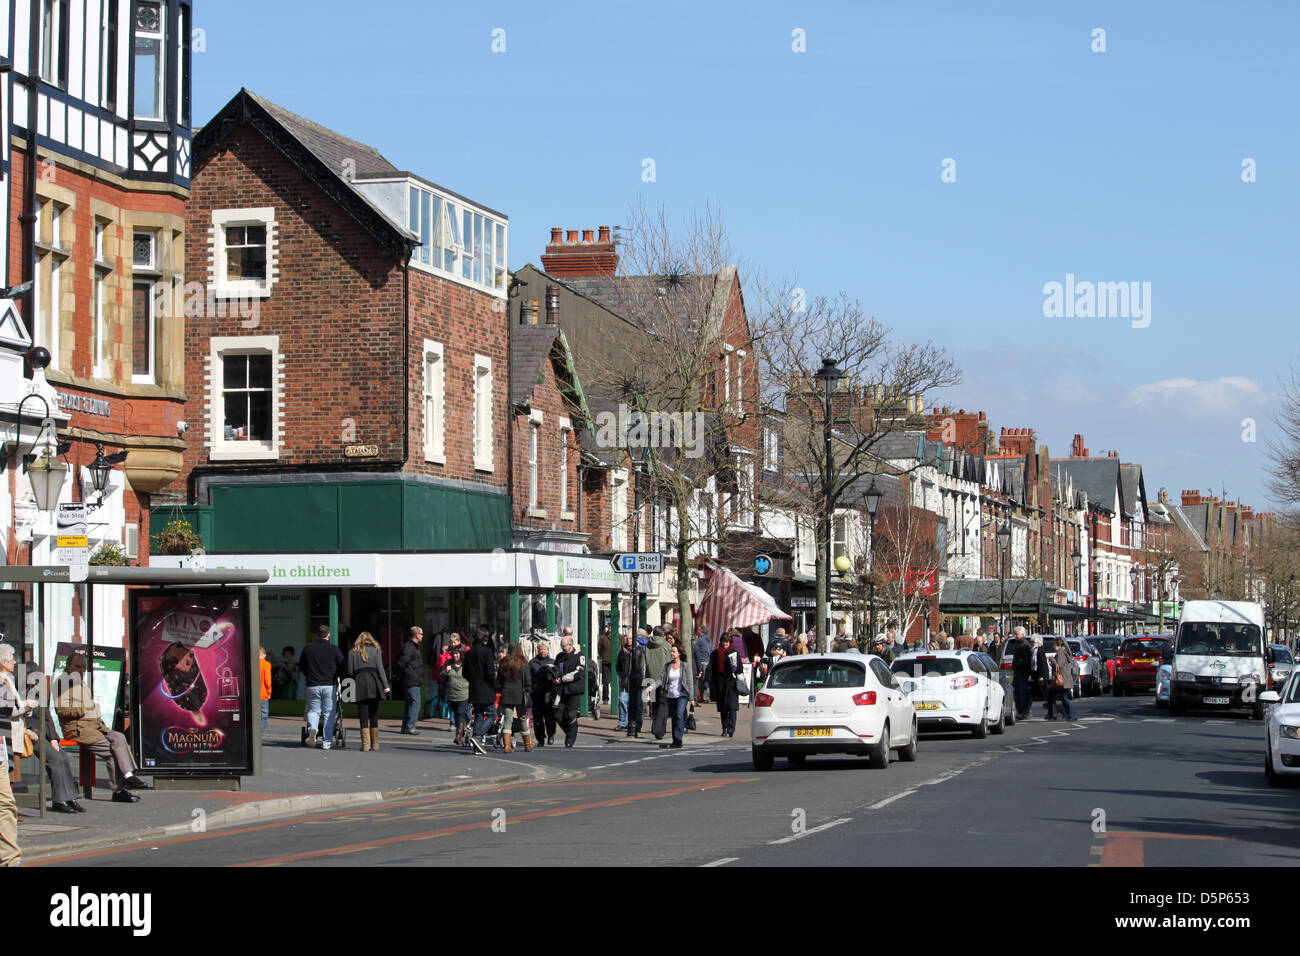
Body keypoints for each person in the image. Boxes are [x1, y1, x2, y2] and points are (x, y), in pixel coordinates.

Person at [54, 652, 152, 801]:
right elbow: (61, 709)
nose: (81, 670)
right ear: (68, 667)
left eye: (83, 667)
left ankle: (129, 775)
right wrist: (83, 708)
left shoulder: (81, 684)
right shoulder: (63, 683)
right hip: (79, 729)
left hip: (95, 726)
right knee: (112, 751)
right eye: (77, 666)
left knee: (119, 737)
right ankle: (119, 789)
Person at [299, 625, 344, 749]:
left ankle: (312, 729)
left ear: (317, 635)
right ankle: (327, 742)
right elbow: (342, 665)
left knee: (313, 710)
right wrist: (336, 676)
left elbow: (302, 665)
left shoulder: (308, 648)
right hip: (329, 684)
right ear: (328, 635)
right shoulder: (334, 649)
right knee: (329, 713)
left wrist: (309, 675)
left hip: (312, 684)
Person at [347, 632, 390, 752]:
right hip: (374, 684)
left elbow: (350, 671)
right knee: (374, 715)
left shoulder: (352, 653)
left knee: (363, 715)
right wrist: (386, 686)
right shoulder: (376, 651)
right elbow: (381, 670)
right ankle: (375, 744)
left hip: (359, 684)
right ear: (371, 640)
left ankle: (365, 744)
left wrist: (348, 689)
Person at [496, 643, 534, 753]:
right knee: (522, 719)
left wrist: (500, 689)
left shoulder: (503, 662)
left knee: (508, 719)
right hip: (519, 694)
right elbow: (527, 680)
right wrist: (528, 689)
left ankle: (507, 745)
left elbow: (499, 681)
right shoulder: (523, 662)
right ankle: (527, 744)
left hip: (506, 694)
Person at [466, 627, 497, 750]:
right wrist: (494, 684)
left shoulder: (469, 652)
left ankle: (476, 746)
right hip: (486, 689)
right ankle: (478, 735)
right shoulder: (487, 652)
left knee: (478, 714)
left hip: (474, 688)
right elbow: (490, 672)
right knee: (492, 714)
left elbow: (465, 673)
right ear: (485, 639)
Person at [553, 634, 586, 747]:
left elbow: (579, 672)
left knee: (571, 714)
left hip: (574, 689)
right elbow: (555, 669)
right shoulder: (559, 657)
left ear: (570, 645)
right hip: (561, 690)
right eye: (561, 646)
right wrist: (555, 677)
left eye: (564, 646)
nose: (562, 648)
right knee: (558, 715)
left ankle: (570, 739)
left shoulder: (579, 656)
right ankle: (570, 731)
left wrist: (562, 679)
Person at [659, 643, 693, 749]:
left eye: (674, 651)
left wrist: (691, 697)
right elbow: (661, 678)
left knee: (679, 714)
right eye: (671, 651)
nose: (671, 653)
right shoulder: (668, 666)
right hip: (670, 695)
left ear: (679, 653)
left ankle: (678, 738)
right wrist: (652, 686)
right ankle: (675, 739)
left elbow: (689, 681)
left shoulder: (685, 666)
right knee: (674, 717)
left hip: (682, 695)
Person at [709, 632, 743, 738]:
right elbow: (711, 668)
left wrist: (734, 668)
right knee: (723, 708)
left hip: (731, 682)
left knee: (732, 707)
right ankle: (724, 728)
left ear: (730, 642)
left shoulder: (734, 653)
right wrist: (710, 682)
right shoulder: (715, 653)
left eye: (727, 642)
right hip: (720, 683)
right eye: (723, 641)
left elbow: (740, 669)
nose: (725, 644)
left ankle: (731, 729)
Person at [393, 626, 424, 735]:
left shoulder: (411, 647)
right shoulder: (410, 647)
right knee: (415, 702)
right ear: (417, 635)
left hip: (411, 678)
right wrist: (403, 675)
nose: (422, 636)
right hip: (411, 679)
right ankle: (410, 726)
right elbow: (402, 662)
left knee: (410, 702)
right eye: (421, 634)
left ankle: (406, 726)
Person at [529, 640, 558, 746]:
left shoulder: (552, 661)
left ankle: (551, 735)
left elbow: (557, 675)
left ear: (548, 650)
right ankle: (540, 739)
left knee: (550, 717)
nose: (542, 651)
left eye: (544, 649)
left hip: (549, 694)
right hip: (537, 694)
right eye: (540, 649)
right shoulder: (532, 663)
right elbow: (529, 677)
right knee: (537, 719)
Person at [622, 628, 649, 737]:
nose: (628, 640)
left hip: (639, 681)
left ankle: (636, 725)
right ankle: (626, 723)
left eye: (630, 638)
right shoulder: (623, 651)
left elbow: (644, 667)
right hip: (627, 680)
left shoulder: (642, 651)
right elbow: (619, 665)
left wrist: (644, 680)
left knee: (638, 704)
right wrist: (622, 675)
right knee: (624, 701)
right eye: (627, 638)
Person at [441, 646, 471, 746]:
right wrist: (446, 671)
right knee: (457, 716)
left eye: (457, 653)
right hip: (451, 695)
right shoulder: (448, 663)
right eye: (454, 653)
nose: (455, 655)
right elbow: (441, 677)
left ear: (461, 654)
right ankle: (462, 733)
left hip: (463, 694)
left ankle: (458, 737)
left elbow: (471, 678)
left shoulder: (466, 665)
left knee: (460, 714)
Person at [1047, 637, 1077, 720]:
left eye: (1054, 644)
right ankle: (1070, 715)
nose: (1053, 646)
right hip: (1065, 679)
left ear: (1058, 645)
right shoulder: (1065, 651)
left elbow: (1059, 665)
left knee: (1055, 696)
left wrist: (1052, 659)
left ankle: (1056, 715)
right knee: (1063, 697)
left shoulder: (1060, 652)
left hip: (1061, 680)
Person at [1010, 627, 1033, 720]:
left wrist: (1018, 664)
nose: (1015, 636)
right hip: (1017, 672)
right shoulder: (1018, 644)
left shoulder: (1024, 645)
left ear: (1023, 635)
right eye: (1015, 634)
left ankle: (1025, 712)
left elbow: (1026, 660)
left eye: (1017, 634)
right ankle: (1021, 712)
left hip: (1023, 672)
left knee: (1022, 693)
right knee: (1016, 692)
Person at [692, 627, 713, 703]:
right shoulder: (709, 640)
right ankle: (706, 697)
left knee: (701, 681)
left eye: (698, 630)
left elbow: (696, 649)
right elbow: (710, 650)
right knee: (706, 680)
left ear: (701, 632)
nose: (697, 632)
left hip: (702, 661)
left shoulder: (700, 640)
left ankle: (702, 698)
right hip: (708, 661)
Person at [258, 645, 273, 731]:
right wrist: (269, 692)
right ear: (264, 655)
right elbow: (267, 680)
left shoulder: (252, 664)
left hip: (253, 695)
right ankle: (260, 731)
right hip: (263, 694)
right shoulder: (267, 664)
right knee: (264, 716)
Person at [598, 627, 613, 705]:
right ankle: (605, 698)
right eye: (609, 627)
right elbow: (599, 648)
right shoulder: (603, 638)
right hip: (606, 662)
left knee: (616, 681)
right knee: (605, 681)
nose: (610, 628)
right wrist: (603, 656)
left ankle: (616, 697)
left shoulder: (620, 637)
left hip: (616, 662)